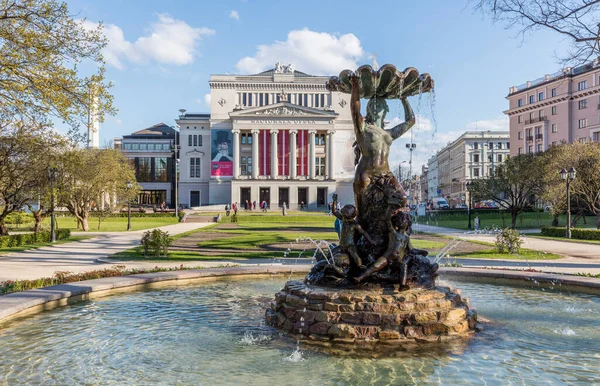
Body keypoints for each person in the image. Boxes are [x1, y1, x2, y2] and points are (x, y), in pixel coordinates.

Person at [348, 74, 414, 215]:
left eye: (380, 105)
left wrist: (403, 99)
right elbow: (355, 109)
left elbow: (411, 120)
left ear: (386, 110)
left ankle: (390, 229)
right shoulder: (363, 128)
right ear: (369, 109)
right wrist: (355, 87)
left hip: (385, 175)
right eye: (373, 105)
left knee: (402, 198)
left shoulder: (389, 133)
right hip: (366, 174)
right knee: (363, 213)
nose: (377, 108)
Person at [331, 193, 375, 269]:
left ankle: (360, 266)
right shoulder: (344, 220)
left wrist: (371, 241)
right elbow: (334, 211)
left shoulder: (355, 225)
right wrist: (334, 201)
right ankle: (331, 264)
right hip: (342, 245)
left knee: (355, 255)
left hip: (350, 245)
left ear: (350, 214)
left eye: (344, 213)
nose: (343, 214)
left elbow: (364, 233)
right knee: (332, 253)